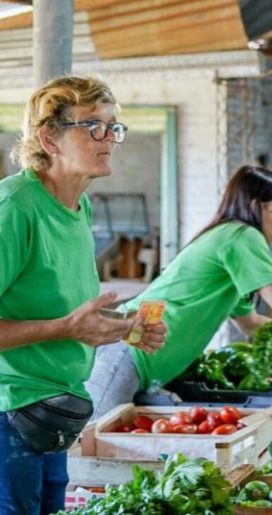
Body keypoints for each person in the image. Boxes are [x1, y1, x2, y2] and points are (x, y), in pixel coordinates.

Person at [0, 76, 166, 514]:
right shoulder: (14, 208)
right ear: (49, 137)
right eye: (94, 125)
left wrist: (122, 329)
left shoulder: (79, 206)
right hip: (9, 411)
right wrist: (66, 328)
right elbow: (65, 322)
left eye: (114, 127)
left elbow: (67, 311)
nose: (109, 138)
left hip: (55, 408)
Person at [85, 165, 272, 420]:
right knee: (93, 445)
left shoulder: (228, 240)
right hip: (127, 351)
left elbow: (251, 324)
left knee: (106, 446)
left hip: (133, 356)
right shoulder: (243, 236)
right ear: (255, 205)